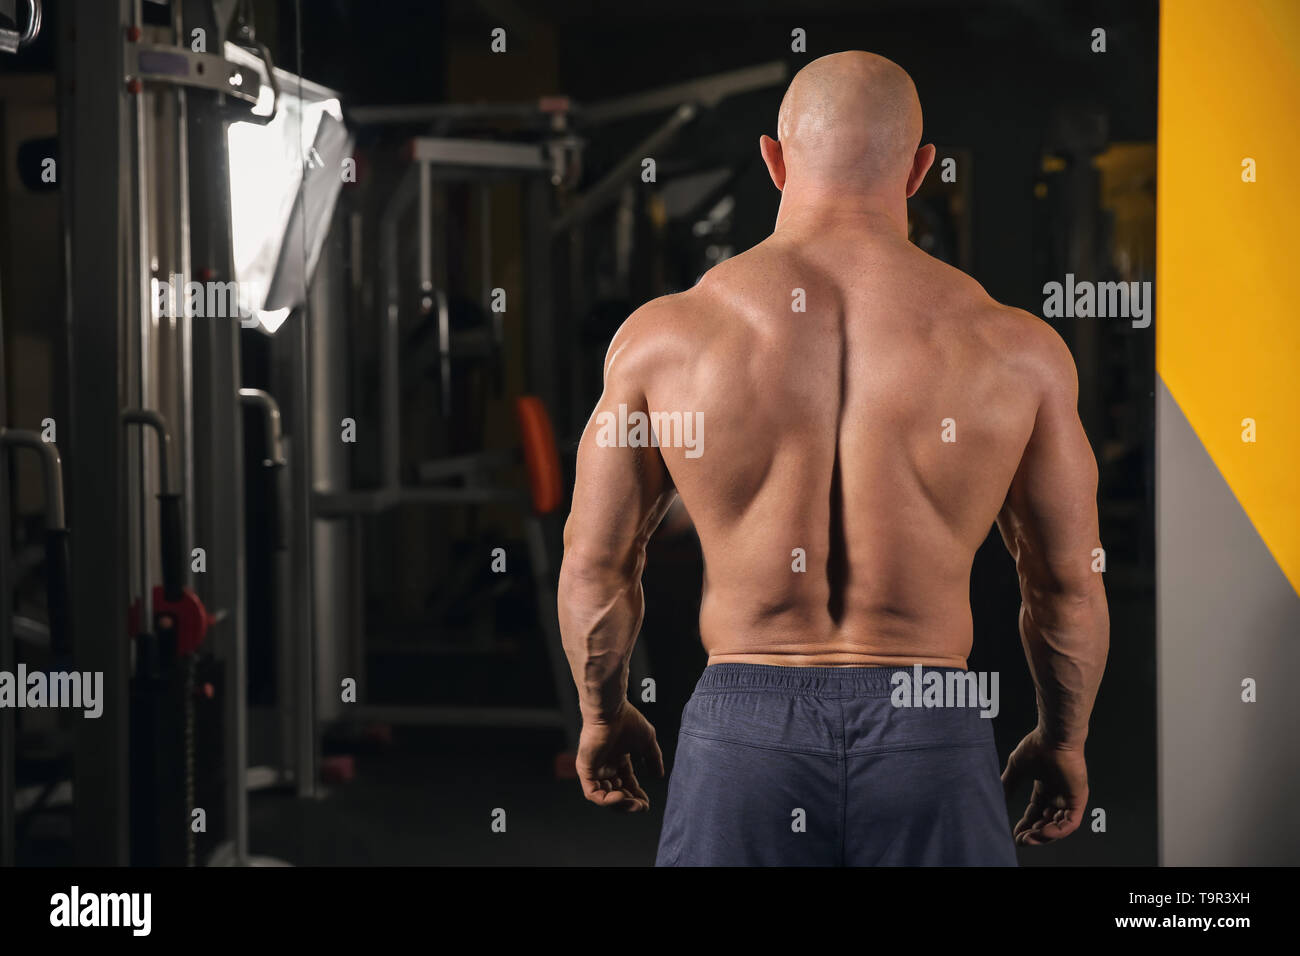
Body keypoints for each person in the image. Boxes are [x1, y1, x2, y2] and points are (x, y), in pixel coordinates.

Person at [556, 50, 1109, 866]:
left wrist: (601, 713)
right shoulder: (1017, 349)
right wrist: (1065, 739)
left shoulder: (663, 339)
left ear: (773, 161)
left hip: (744, 736)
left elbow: (595, 566)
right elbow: (1066, 584)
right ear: (921, 170)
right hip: (931, 724)